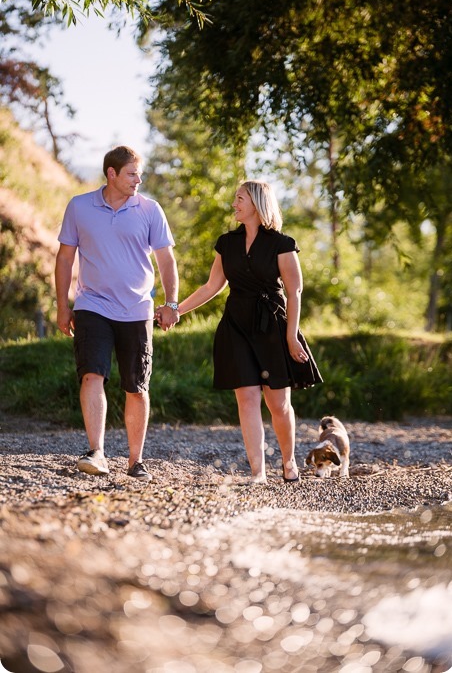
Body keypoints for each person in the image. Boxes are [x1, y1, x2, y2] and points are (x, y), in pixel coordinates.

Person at [159, 180, 323, 484]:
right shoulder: (227, 243)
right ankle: (258, 473)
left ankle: (288, 463)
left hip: (272, 326)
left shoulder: (282, 243)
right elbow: (212, 286)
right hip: (235, 326)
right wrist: (176, 309)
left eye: (240, 199)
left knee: (278, 404)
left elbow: (295, 291)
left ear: (258, 204)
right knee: (247, 398)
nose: (234, 204)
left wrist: (291, 335)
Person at [55, 145, 179, 482]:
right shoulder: (80, 207)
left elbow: (166, 260)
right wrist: (63, 305)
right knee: (91, 373)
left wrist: (171, 303)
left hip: (137, 309)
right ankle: (96, 451)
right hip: (92, 304)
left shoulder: (150, 209)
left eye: (139, 174)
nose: (138, 180)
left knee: (136, 386)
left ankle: (135, 460)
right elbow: (65, 258)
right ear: (111, 173)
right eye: (132, 174)